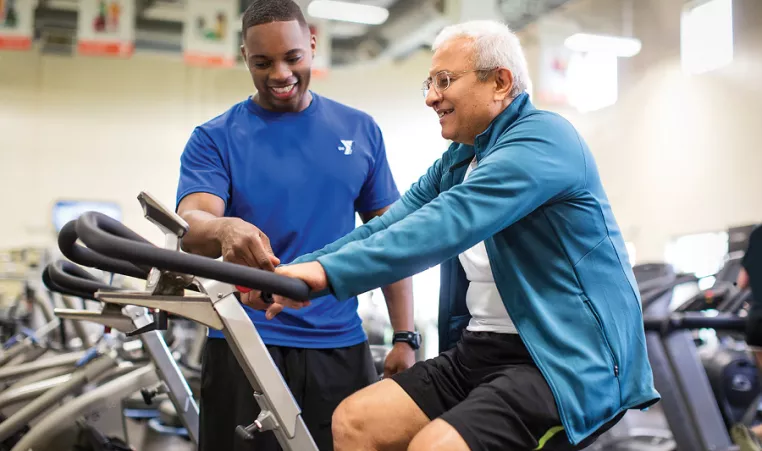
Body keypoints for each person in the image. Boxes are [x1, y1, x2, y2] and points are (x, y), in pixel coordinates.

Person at [248, 20, 661, 451]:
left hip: (563, 363)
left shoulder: (544, 139)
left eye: (444, 81)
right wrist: (298, 272)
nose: (431, 97)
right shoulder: (460, 160)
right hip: (480, 350)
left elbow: (446, 223)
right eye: (429, 83)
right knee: (355, 421)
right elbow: (390, 225)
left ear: (500, 82)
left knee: (435, 446)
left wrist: (326, 274)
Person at [174, 1, 416, 450]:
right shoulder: (215, 137)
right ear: (244, 56)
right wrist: (224, 228)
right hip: (243, 343)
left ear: (312, 44)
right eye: (262, 62)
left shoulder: (359, 130)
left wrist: (405, 335)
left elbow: (392, 239)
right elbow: (192, 222)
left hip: (338, 345)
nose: (280, 74)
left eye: (292, 58)